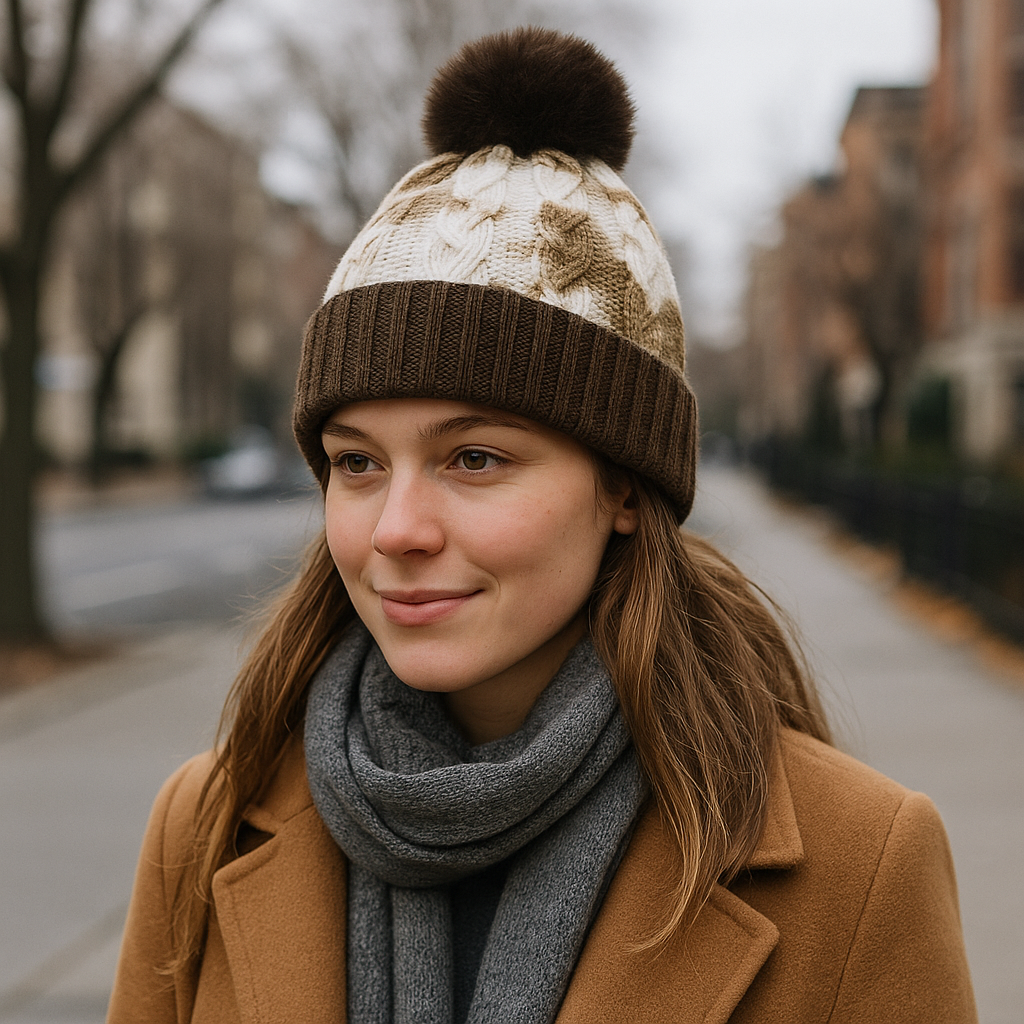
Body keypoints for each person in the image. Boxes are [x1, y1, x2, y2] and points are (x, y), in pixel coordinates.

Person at [107, 27, 977, 1024]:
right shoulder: (204, 826)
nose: (395, 529)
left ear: (623, 487)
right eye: (356, 462)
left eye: (473, 457)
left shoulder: (860, 865)